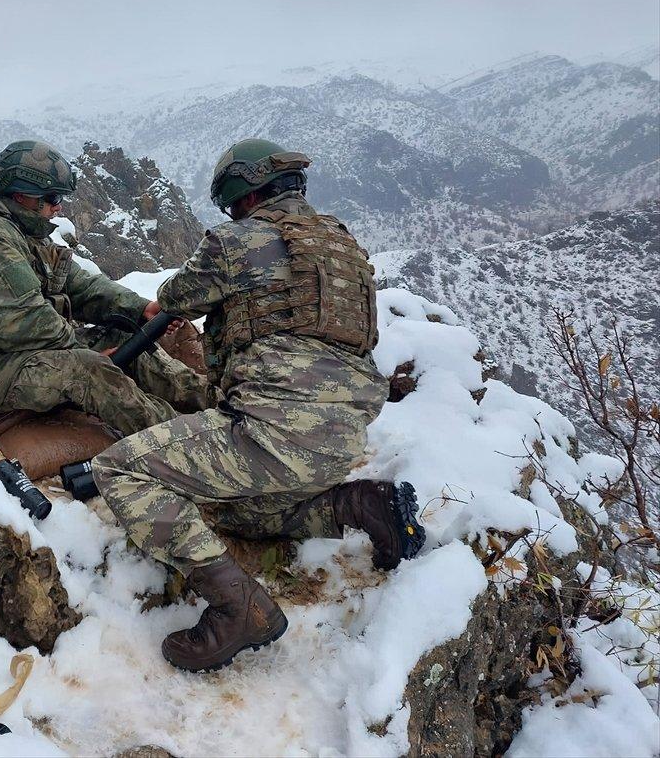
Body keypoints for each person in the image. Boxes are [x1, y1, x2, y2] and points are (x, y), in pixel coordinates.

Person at [91, 138, 424, 673]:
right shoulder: (341, 245)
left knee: (120, 468)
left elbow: (174, 298)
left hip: (273, 432)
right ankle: (362, 506)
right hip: (342, 435)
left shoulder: (234, 242)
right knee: (244, 511)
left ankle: (238, 608)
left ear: (243, 194)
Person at [0, 140, 213, 438]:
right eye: (52, 197)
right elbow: (27, 322)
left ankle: (209, 400)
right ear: (22, 196)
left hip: (13, 354)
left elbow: (81, 285)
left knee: (122, 335)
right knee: (87, 370)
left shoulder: (25, 233)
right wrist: (87, 354)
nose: (58, 206)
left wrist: (140, 309)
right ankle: (188, 441)